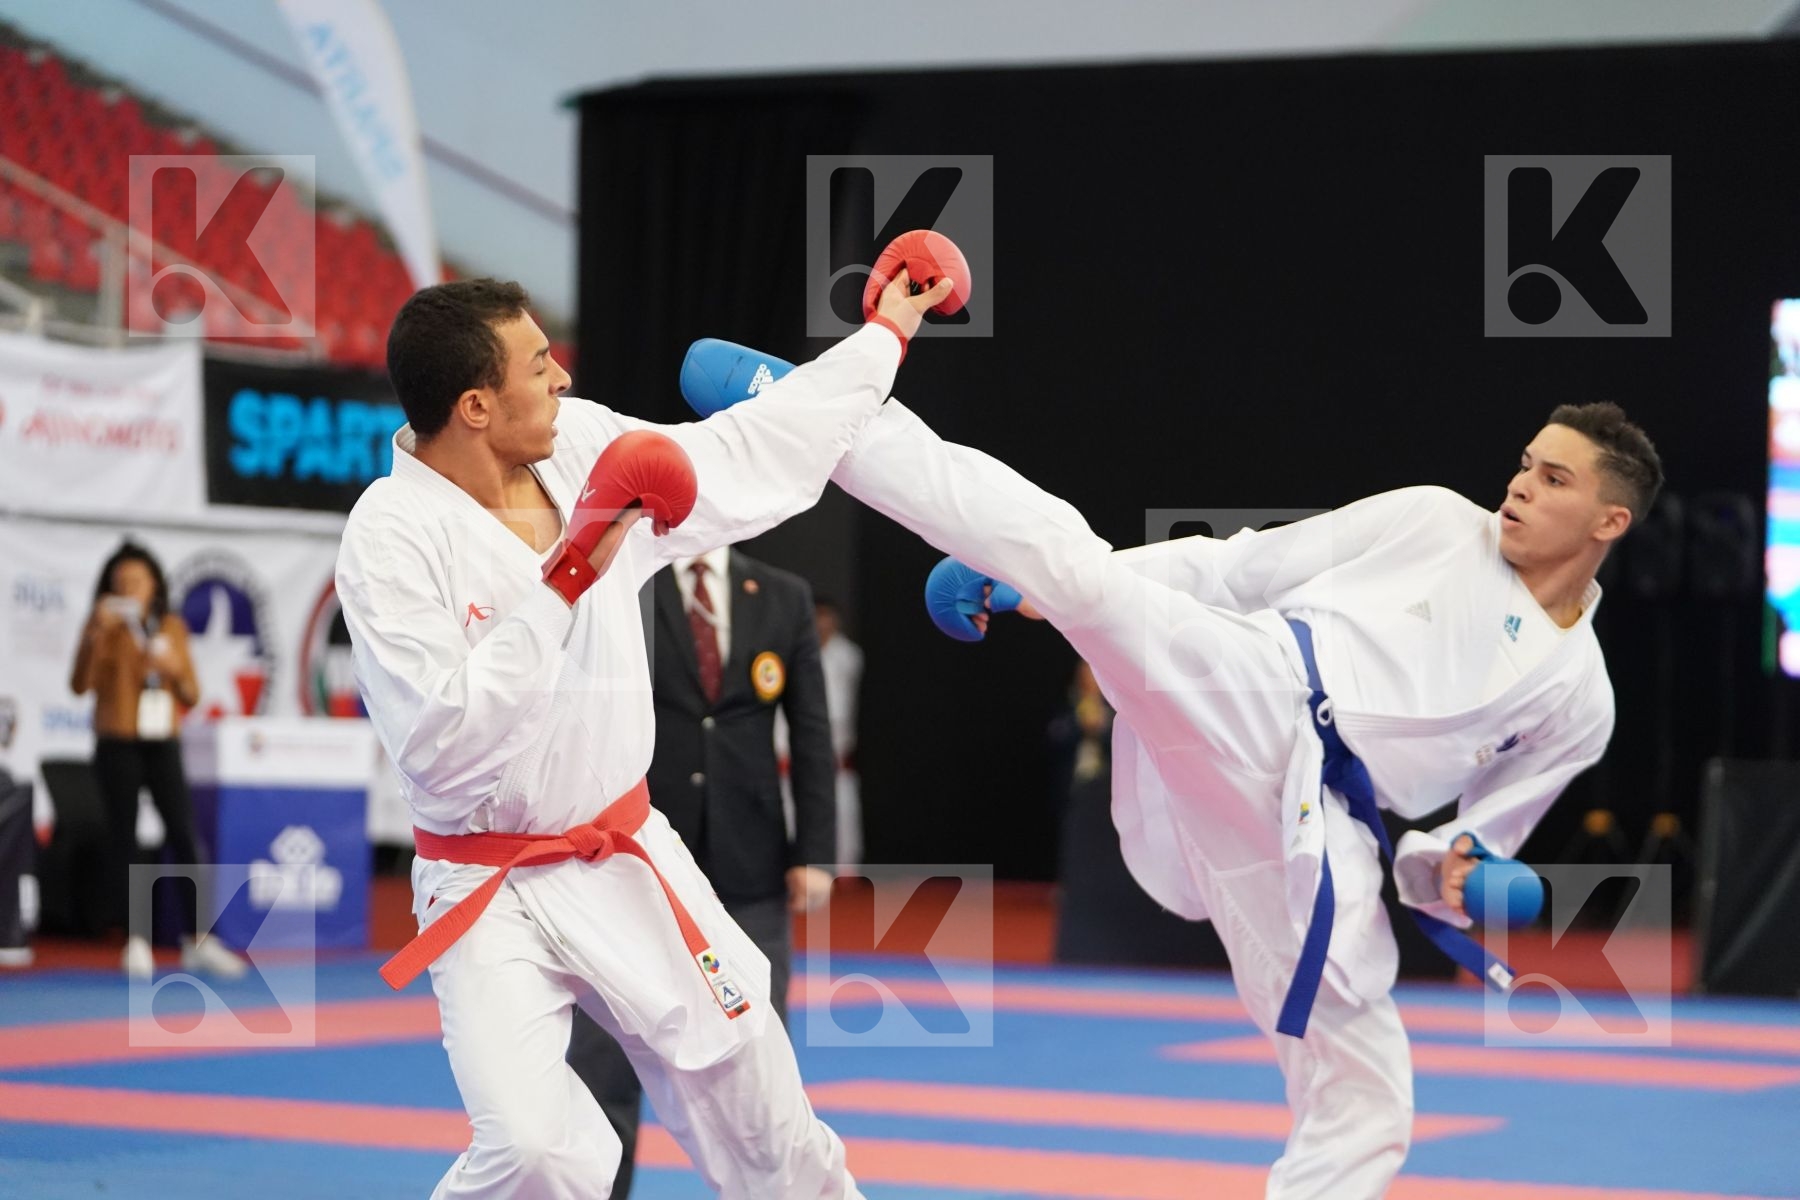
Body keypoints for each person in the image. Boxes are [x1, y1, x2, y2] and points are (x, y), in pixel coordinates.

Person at [825, 396, 1656, 1198]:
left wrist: (1457, 867)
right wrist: (1029, 592)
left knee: (1368, 1098)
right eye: (1524, 465)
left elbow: (1478, 837)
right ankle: (845, 421)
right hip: (1262, 684)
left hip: (1318, 832)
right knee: (1094, 593)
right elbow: (1237, 566)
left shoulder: (1582, 699)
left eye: (1554, 480)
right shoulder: (1437, 520)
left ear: (1607, 522)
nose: (1519, 486)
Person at [336, 272, 949, 1199]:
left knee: (762, 1102)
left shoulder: (582, 448)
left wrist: (885, 336)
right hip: (485, 879)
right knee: (540, 1152)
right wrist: (565, 578)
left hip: (622, 849)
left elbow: (746, 451)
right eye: (539, 366)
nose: (562, 381)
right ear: (473, 405)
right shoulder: (389, 537)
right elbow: (440, 742)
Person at [568, 545, 838, 1199]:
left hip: (752, 866)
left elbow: (810, 732)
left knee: (758, 1076)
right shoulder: (623, 586)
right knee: (602, 1072)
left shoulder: (781, 594)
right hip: (629, 866)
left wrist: (816, 854)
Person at [68, 541, 246, 981]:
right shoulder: (103, 626)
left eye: (137, 581)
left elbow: (192, 694)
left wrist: (171, 668)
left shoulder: (171, 627)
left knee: (184, 834)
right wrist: (96, 633)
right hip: (117, 742)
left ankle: (199, 940)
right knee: (125, 839)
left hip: (162, 740)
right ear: (109, 589)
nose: (129, 588)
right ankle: (137, 940)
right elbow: (80, 685)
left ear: (154, 586)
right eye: (120, 582)